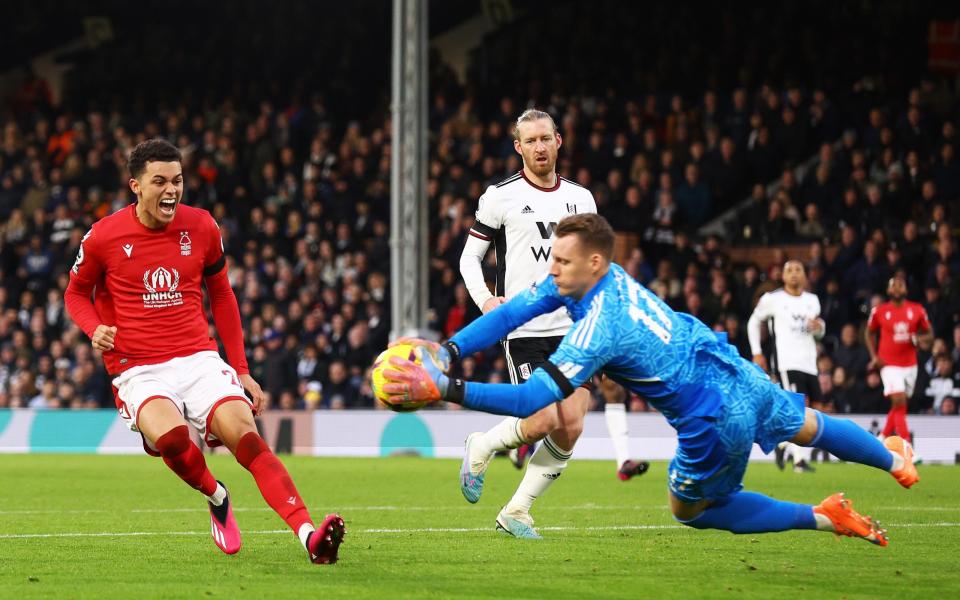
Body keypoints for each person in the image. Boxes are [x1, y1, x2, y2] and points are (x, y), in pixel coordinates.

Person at [383, 214, 918, 545]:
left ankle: (822, 516)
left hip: (712, 417)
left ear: (592, 262)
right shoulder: (599, 276)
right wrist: (450, 349)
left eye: (561, 263)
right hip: (734, 370)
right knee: (809, 425)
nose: (552, 271)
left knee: (691, 509)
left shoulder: (598, 328)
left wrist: (447, 389)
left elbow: (530, 398)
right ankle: (895, 459)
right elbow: (509, 314)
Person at [64, 139, 344, 564]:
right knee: (174, 438)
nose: (171, 190)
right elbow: (75, 294)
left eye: (177, 180)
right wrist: (94, 328)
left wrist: (242, 370)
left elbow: (223, 296)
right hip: (138, 367)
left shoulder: (202, 227)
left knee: (248, 438)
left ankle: (309, 536)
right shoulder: (103, 235)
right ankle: (217, 496)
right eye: (160, 181)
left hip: (198, 359)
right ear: (135, 186)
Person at [457, 109, 647, 539]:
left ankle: (518, 510)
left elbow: (597, 266)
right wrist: (486, 300)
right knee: (543, 418)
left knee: (573, 423)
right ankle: (482, 444)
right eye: (531, 141)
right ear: (518, 147)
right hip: (524, 328)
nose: (539, 147)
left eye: (546, 138)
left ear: (559, 141)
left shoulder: (582, 199)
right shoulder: (499, 196)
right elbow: (470, 257)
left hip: (574, 330)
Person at [747, 260, 825, 472]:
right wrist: (757, 352)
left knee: (815, 408)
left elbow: (819, 332)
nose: (793, 274)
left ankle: (782, 444)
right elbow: (753, 322)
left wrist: (819, 327)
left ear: (805, 275)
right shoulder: (773, 299)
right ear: (782, 276)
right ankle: (799, 460)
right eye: (789, 270)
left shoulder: (812, 300)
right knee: (796, 409)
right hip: (786, 362)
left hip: (809, 362)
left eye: (798, 270)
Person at [865, 277, 932, 443]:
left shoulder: (917, 310)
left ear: (906, 290)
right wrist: (874, 357)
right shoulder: (879, 311)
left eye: (900, 285)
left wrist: (919, 338)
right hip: (888, 364)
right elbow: (868, 333)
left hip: (910, 364)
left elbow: (929, 334)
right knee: (899, 399)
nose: (896, 288)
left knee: (899, 405)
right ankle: (907, 445)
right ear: (888, 291)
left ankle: (881, 438)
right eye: (893, 286)